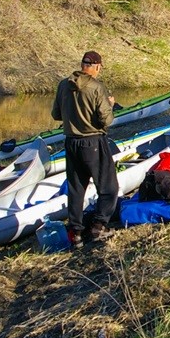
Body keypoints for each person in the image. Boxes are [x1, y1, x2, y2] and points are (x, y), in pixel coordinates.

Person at [51, 51, 118, 247]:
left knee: (76, 189)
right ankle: (98, 227)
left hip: (71, 142)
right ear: (96, 66)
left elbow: (56, 114)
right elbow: (107, 120)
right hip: (92, 142)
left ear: (82, 65)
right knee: (108, 187)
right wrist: (110, 105)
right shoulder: (97, 87)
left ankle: (76, 233)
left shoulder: (64, 85)